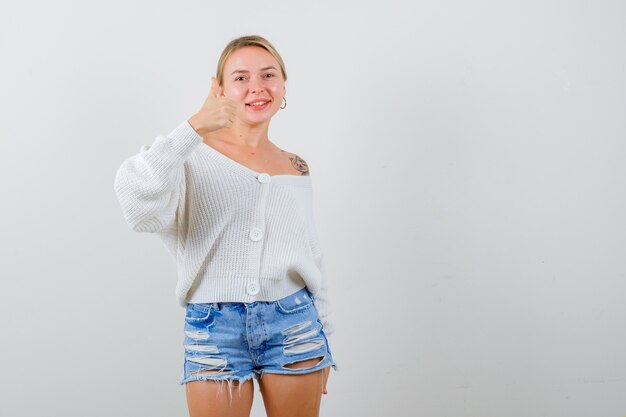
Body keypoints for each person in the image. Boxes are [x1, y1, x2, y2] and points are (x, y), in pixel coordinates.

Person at [113, 35, 337, 417]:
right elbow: (135, 200)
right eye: (241, 77)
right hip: (214, 325)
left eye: (268, 75)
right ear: (218, 88)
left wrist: (324, 339)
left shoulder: (295, 165)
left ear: (283, 86)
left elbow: (310, 252)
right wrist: (194, 126)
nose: (257, 87)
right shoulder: (188, 156)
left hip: (295, 324)